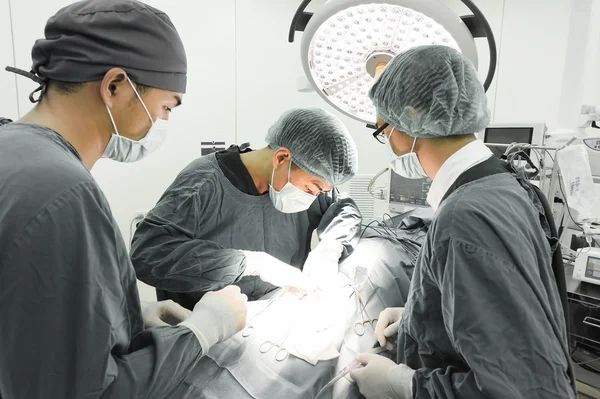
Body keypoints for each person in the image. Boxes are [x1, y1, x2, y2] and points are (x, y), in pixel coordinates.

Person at [0, 1, 247, 397]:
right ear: (115, 86)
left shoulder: (12, 149)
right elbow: (89, 391)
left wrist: (128, 322)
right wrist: (202, 331)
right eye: (166, 106)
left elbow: (29, 328)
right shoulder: (64, 192)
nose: (163, 122)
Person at [350, 45, 576, 398]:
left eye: (384, 130)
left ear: (409, 119)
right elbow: (504, 320)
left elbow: (520, 388)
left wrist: (403, 386)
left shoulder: (465, 218)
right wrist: (418, 322)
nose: (388, 143)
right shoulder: (504, 184)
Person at [130, 108, 362, 307]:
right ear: (281, 158)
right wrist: (247, 263)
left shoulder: (311, 181)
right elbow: (148, 255)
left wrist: (330, 249)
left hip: (272, 318)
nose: (315, 197)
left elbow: (345, 210)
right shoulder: (203, 184)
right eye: (312, 189)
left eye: (321, 191)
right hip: (209, 331)